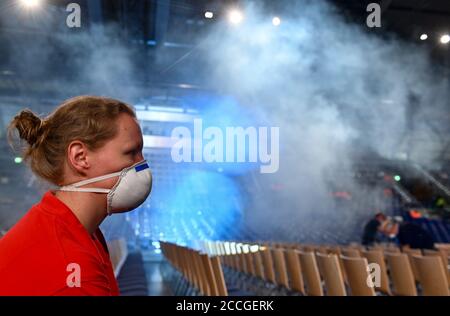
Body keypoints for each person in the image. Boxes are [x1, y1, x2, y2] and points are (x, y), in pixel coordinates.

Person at [0, 96, 152, 295]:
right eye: (131, 153)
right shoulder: (72, 272)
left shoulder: (72, 227)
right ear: (80, 157)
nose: (143, 165)